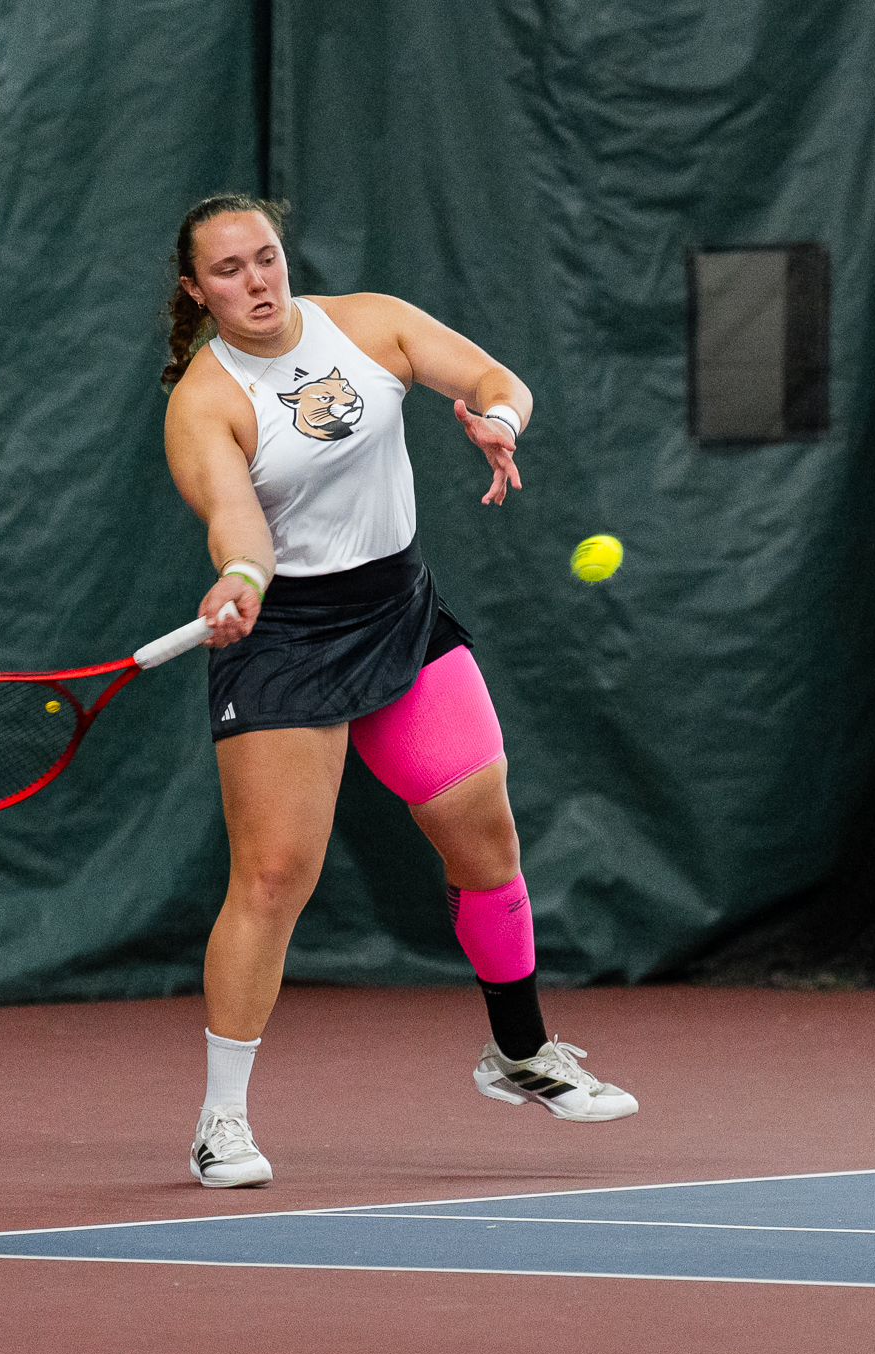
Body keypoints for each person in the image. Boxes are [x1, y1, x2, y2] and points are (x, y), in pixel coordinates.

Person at [160, 194, 637, 1188]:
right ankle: (220, 1123)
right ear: (195, 290)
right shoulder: (203, 402)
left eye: (265, 258)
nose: (255, 281)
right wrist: (242, 581)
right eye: (228, 270)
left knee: (485, 839)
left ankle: (518, 1053)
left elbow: (495, 379)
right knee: (272, 877)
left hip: (400, 613)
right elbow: (235, 522)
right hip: (285, 638)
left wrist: (497, 421)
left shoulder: (369, 322)